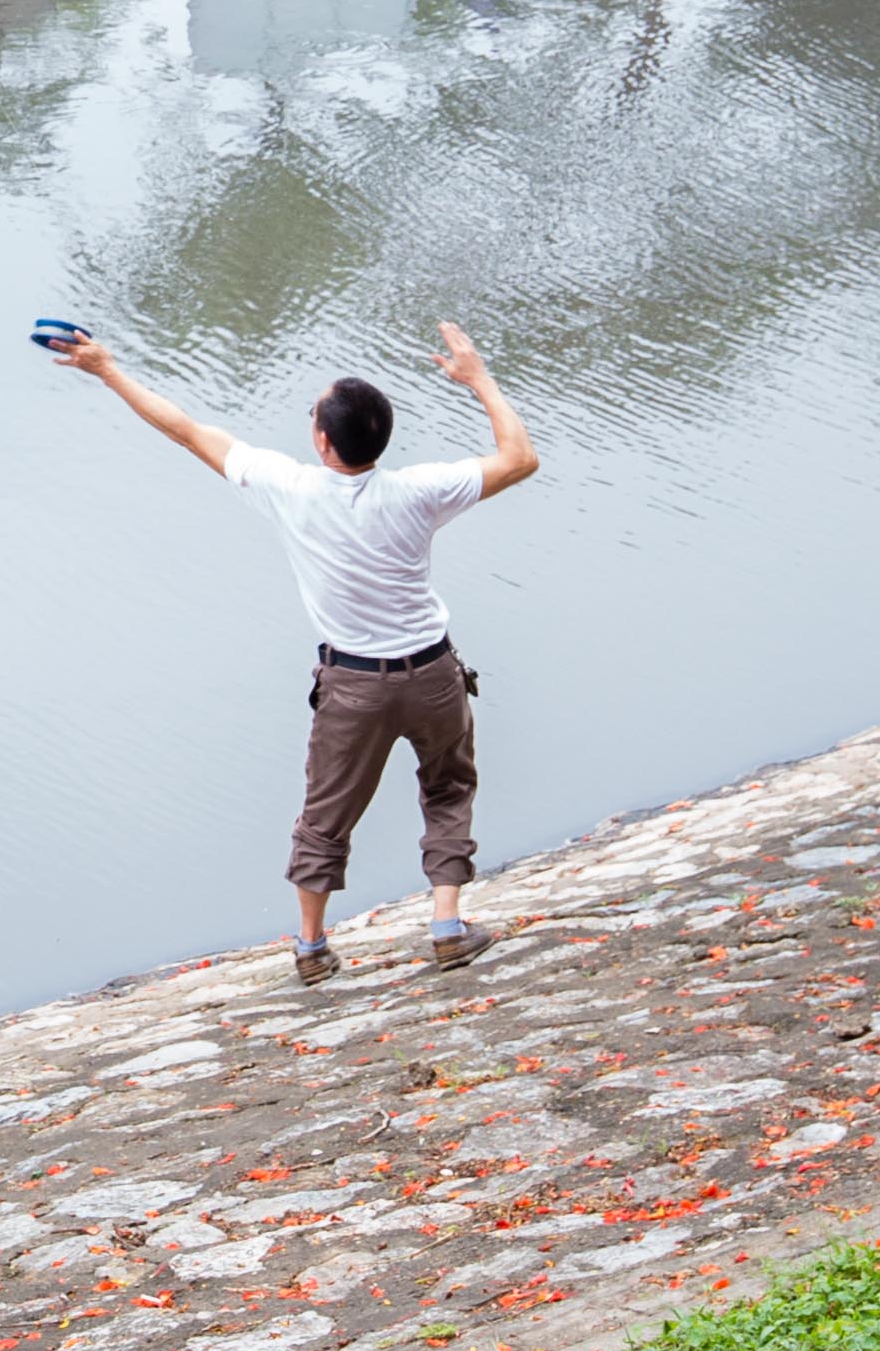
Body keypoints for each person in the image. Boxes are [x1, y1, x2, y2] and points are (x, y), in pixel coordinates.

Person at [46, 319, 542, 984]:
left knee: (325, 816)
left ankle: (312, 947)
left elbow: (186, 430)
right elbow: (520, 457)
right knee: (448, 788)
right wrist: (477, 377)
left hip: (354, 686)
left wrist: (108, 370)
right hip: (431, 675)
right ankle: (447, 924)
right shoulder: (420, 491)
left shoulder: (290, 488)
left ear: (321, 440)